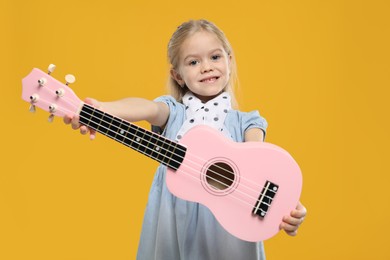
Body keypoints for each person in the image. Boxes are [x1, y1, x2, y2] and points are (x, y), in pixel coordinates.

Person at [64, 19, 307, 260]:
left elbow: (264, 164)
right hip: (173, 223)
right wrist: (101, 110)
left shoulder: (246, 122)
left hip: (229, 229)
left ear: (229, 61)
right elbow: (143, 107)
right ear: (178, 75)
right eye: (193, 62)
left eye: (215, 57)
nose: (206, 67)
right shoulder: (172, 113)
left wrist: (288, 211)